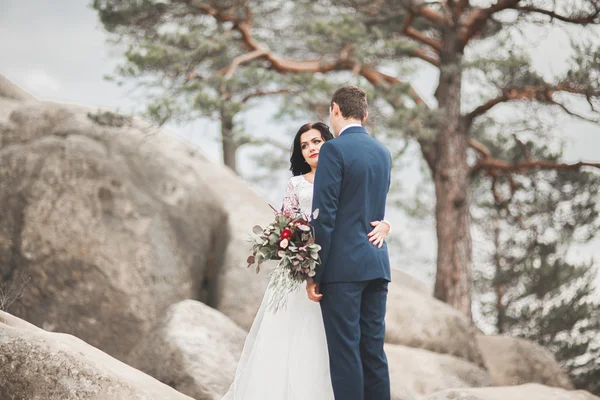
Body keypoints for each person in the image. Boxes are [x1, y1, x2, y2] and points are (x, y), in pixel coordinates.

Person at [221, 119, 391, 400]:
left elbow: (365, 209)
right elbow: (285, 222)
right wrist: (294, 247)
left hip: (337, 270)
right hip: (304, 271)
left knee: (339, 347)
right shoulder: (296, 184)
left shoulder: (345, 173)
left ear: (329, 142)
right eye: (304, 145)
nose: (311, 148)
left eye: (316, 141)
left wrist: (386, 225)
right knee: (297, 345)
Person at [309, 86, 392, 400]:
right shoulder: (383, 153)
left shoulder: (334, 150)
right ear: (365, 114)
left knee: (345, 354)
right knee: (373, 352)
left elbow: (324, 216)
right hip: (378, 263)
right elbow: (373, 208)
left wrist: (315, 273)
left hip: (344, 269)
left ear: (334, 109)